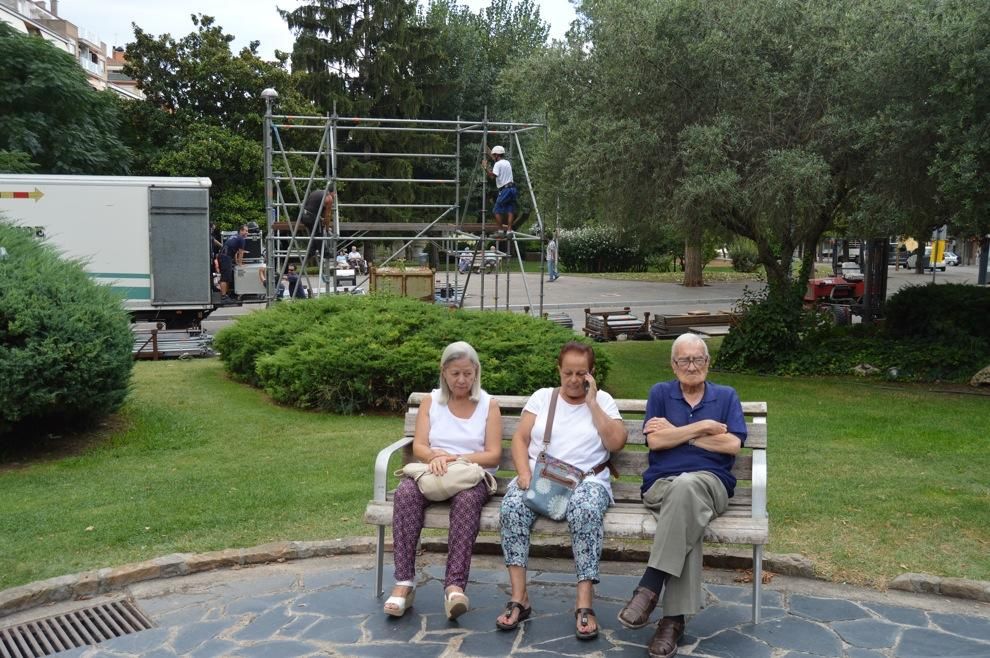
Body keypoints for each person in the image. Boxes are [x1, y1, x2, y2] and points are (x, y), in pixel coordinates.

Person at [617, 333, 746, 658]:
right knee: (685, 506)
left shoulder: (726, 396)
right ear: (674, 365)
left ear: (708, 362)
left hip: (711, 484)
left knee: (687, 486)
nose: (692, 366)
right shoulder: (660, 393)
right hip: (661, 486)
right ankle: (672, 622)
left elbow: (732, 445)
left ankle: (650, 586)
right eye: (685, 360)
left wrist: (676, 433)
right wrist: (702, 427)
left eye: (698, 359)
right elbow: (656, 443)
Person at [496, 342, 628, 640]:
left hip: (587, 482)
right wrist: (523, 473)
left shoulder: (603, 401)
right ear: (559, 370)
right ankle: (519, 598)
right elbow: (519, 439)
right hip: (542, 478)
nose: (573, 379)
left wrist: (592, 404)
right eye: (567, 372)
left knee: (585, 511)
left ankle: (584, 603)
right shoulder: (543, 398)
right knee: (512, 507)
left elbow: (617, 442)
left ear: (591, 374)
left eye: (581, 373)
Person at [385, 341, 503, 621]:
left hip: (471, 476)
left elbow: (493, 454)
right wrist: (435, 456)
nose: (461, 380)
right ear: (444, 372)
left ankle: (454, 587)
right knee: (405, 494)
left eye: (467, 373)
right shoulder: (431, 402)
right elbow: (420, 447)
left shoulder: (489, 405)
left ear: (476, 372)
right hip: (433, 473)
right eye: (455, 374)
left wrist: (454, 459)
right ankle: (404, 583)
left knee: (466, 502)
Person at [482, 145, 517, 234]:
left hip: (505, 190)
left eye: (494, 155)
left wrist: (486, 168)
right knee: (510, 210)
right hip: (513, 188)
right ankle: (509, 230)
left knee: (496, 210)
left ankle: (501, 230)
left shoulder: (497, 164)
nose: (493, 156)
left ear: (497, 155)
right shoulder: (507, 162)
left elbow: (492, 176)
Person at [218, 225, 248, 300]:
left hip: (223, 256)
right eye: (246, 231)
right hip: (225, 257)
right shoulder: (241, 239)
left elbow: (234, 251)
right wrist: (240, 264)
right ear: (241, 231)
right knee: (225, 277)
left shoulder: (234, 236)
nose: (247, 233)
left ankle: (226, 294)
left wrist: (236, 262)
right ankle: (224, 297)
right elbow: (241, 253)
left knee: (227, 276)